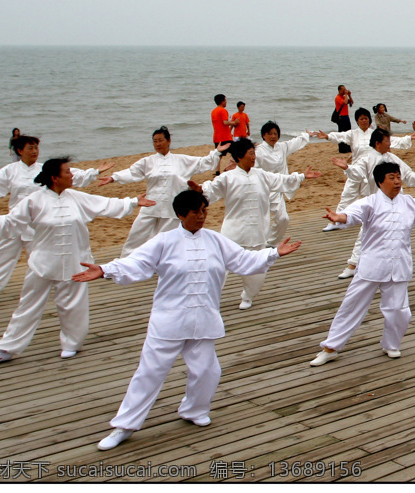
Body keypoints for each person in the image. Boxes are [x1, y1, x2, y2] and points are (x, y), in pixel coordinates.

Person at [73, 189, 300, 451]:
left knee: (208, 370)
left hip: (203, 318)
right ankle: (124, 426)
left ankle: (194, 409)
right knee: (149, 374)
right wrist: (104, 270)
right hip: (168, 321)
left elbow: (243, 260)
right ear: (181, 214)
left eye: (205, 211)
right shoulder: (164, 241)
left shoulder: (216, 240)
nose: (202, 217)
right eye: (196, 212)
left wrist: (273, 253)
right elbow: (135, 263)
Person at [0, 158, 153, 367]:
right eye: (67, 172)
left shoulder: (75, 197)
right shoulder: (34, 200)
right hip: (42, 262)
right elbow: (11, 221)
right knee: (27, 307)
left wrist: (132, 202)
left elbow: (103, 204)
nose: (72, 175)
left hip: (75, 260)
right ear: (54, 178)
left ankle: (71, 344)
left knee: (73, 306)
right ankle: (5, 349)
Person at [310, 162, 415, 366]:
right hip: (372, 265)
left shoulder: (408, 203)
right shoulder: (370, 203)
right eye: (392, 177)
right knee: (351, 306)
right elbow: (352, 215)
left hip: (399, 265)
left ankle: (391, 344)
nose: (397, 181)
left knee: (399, 310)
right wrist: (340, 218)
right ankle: (330, 348)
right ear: (380, 181)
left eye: (398, 177)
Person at [0, 136, 110, 301]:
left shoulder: (43, 169)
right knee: (1, 256)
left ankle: (52, 287)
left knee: (40, 257)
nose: (34, 151)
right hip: (15, 220)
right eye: (30, 148)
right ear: (20, 151)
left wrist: (94, 172)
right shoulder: (10, 170)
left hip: (39, 222)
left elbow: (71, 175)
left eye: (36, 148)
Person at [193, 138, 320, 309]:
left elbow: (281, 180)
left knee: (257, 273)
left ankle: (248, 296)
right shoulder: (228, 178)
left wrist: (302, 176)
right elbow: (211, 189)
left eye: (254, 153)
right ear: (239, 156)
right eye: (251, 153)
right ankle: (208, 299)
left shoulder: (261, 175)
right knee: (218, 268)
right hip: (233, 233)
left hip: (258, 232)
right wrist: (201, 189)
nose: (254, 157)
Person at [98, 126, 229, 256]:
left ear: (168, 141)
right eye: (154, 141)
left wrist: (216, 152)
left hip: (170, 207)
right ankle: (124, 263)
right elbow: (132, 172)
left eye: (160, 140)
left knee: (166, 240)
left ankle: (161, 263)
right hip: (150, 204)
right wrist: (113, 177)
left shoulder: (181, 160)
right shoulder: (148, 161)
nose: (158, 144)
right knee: (136, 236)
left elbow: (203, 163)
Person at [332, 128, 415, 278]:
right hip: (376, 203)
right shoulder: (367, 158)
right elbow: (357, 173)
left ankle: (394, 265)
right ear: (378, 143)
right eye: (387, 141)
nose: (390, 143)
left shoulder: (392, 157)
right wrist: (347, 168)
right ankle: (353, 265)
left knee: (398, 233)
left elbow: (406, 173)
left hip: (395, 202)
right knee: (365, 233)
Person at [254, 121, 315, 247]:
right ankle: (258, 245)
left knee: (283, 219)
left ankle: (271, 243)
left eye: (275, 133)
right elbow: (249, 166)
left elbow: (295, 143)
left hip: (277, 189)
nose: (273, 136)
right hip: (262, 190)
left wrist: (306, 135)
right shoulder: (258, 151)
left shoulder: (281, 147)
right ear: (264, 135)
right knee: (261, 221)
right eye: (270, 133)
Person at [333, 85, 354, 153]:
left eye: (345, 89)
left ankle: (348, 147)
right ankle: (342, 149)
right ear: (339, 90)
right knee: (342, 133)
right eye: (343, 90)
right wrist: (346, 95)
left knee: (348, 132)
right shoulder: (338, 98)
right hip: (341, 117)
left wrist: (349, 95)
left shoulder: (344, 97)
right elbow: (344, 102)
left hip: (346, 116)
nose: (345, 91)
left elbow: (351, 102)